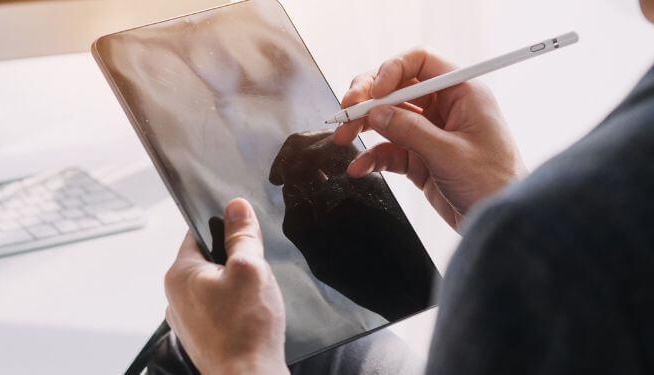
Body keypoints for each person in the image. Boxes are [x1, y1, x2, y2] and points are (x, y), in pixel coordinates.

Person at [163, 1, 654, 373]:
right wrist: (499, 196)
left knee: (210, 347)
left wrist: (243, 362)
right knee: (336, 350)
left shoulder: (538, 241)